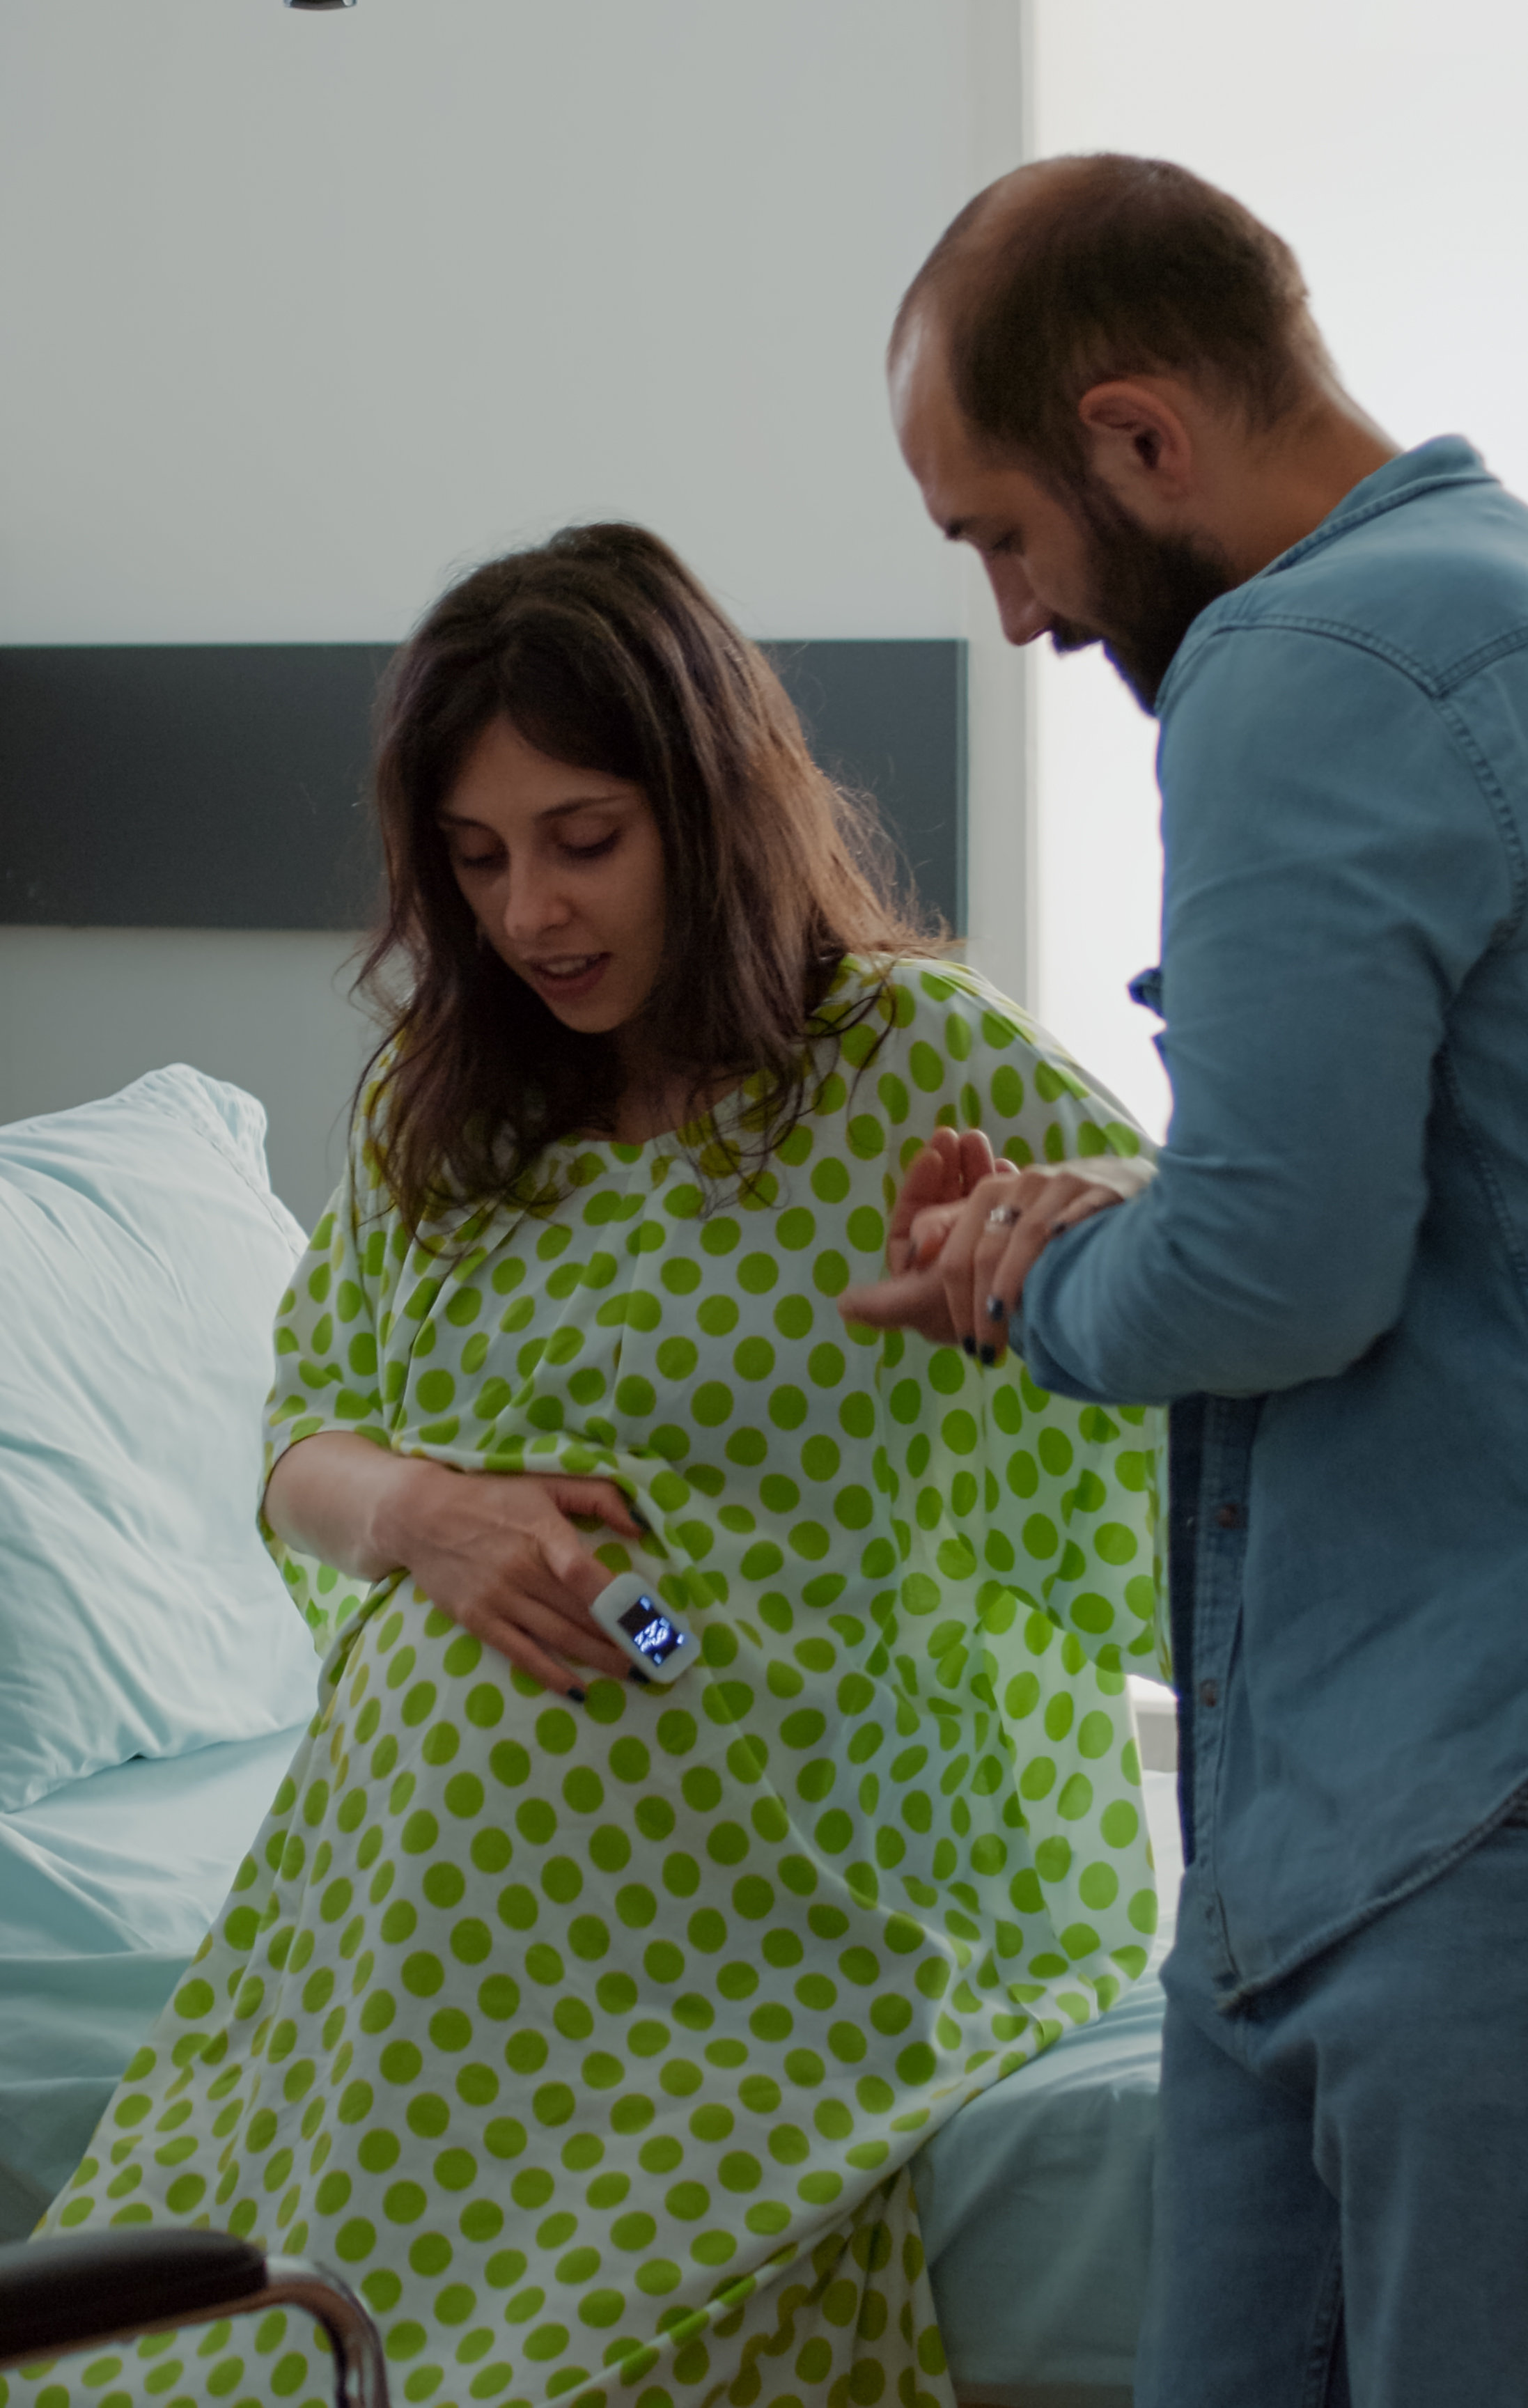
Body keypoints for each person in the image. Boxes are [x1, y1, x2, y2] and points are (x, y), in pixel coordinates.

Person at [38, 522, 1162, 2408]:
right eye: (477, 859)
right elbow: (299, 1434)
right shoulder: (447, 1098)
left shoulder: (908, 1061)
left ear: (709, 810)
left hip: (783, 1786)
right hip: (424, 1888)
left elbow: (1206, 1304)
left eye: (583, 840)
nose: (531, 913)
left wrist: (1055, 1257)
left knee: (654, 1658)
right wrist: (420, 1514)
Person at [843, 151, 1528, 2408]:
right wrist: (1126, 1213)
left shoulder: (1301, 665)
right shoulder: (1483, 607)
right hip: (1338, 1815)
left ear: (1135, 433)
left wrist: (1024, 1291)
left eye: (997, 536)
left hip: (1422, 1813)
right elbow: (1396, 1191)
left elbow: (1270, 1274)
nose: (1015, 616)